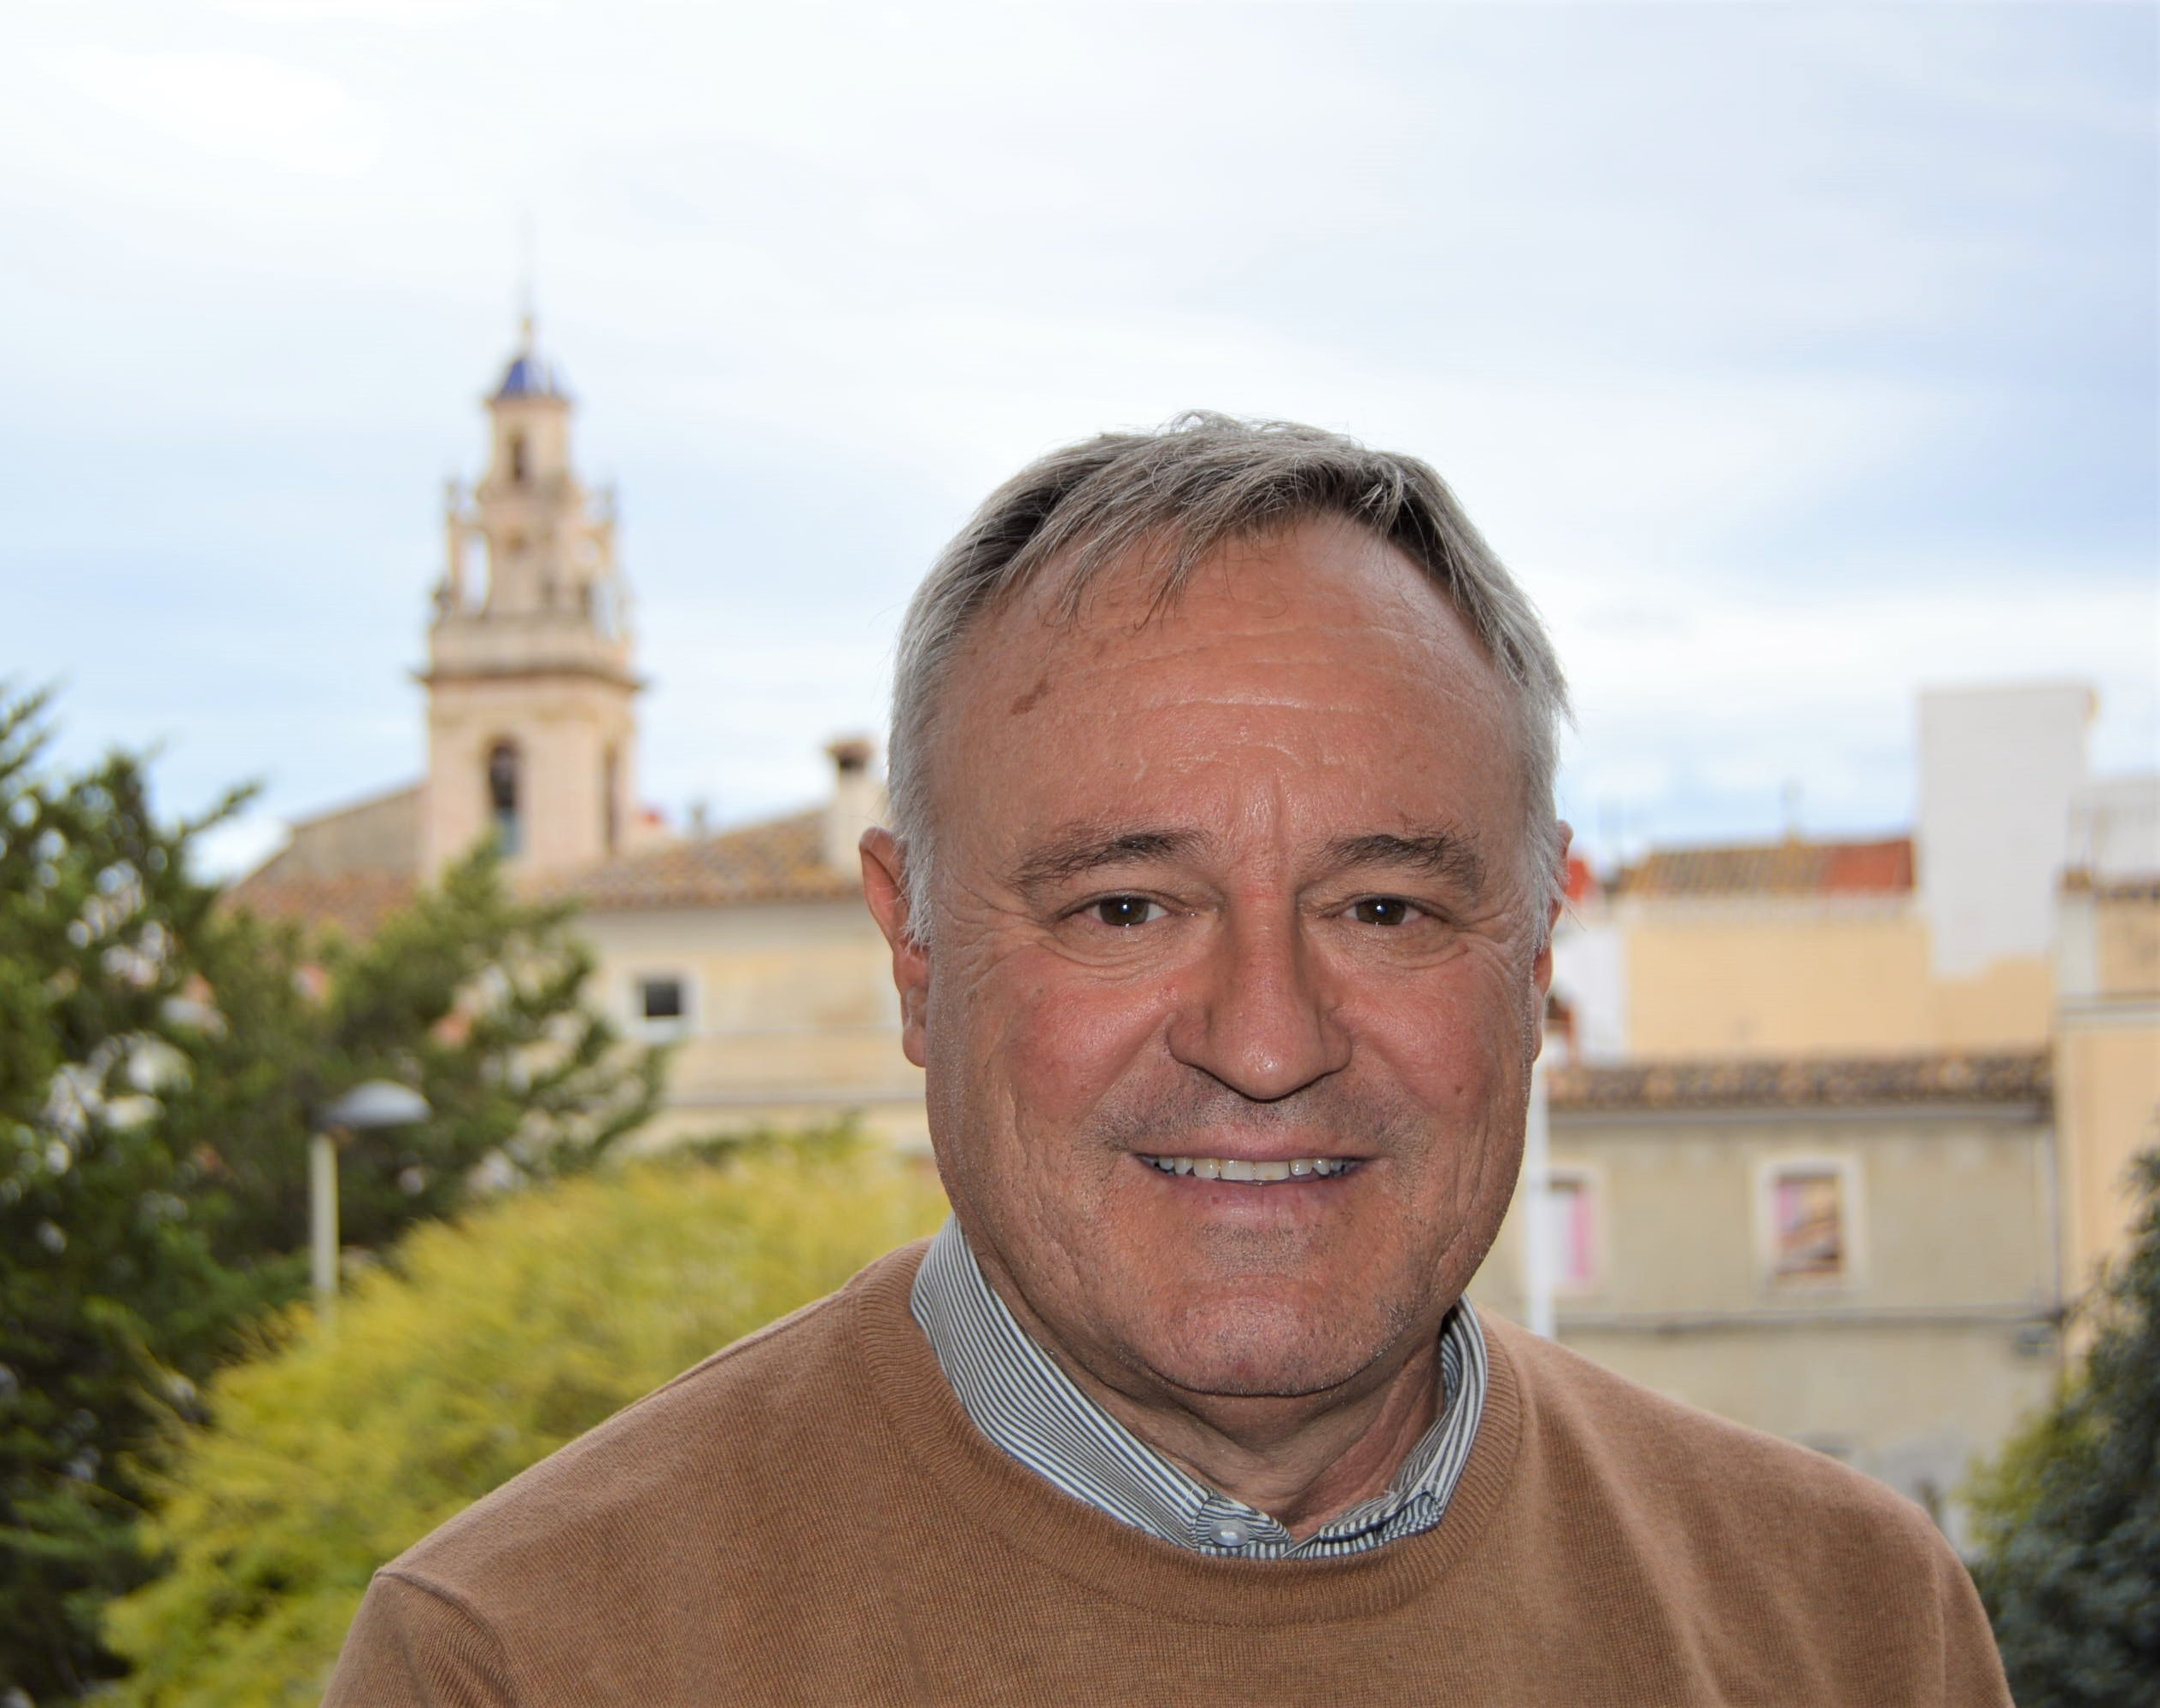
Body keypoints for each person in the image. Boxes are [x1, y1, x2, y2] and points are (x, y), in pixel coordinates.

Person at [325, 415, 2011, 1706]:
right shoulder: (530, 1662)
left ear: (1537, 942)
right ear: (913, 952)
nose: (1265, 1040)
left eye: (1384, 903)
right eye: (1127, 906)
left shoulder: (1852, 1629)